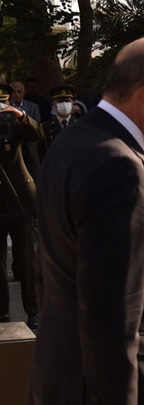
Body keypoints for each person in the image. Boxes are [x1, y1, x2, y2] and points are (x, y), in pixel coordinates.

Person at [30, 36, 144, 403]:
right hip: (124, 386)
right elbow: (112, 321)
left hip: (62, 374)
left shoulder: (71, 144)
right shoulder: (119, 169)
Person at [0, 84, 41, 329]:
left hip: (20, 199)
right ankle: (3, 314)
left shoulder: (16, 123)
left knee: (26, 261)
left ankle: (33, 312)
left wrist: (20, 115)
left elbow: (35, 134)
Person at [38, 85, 79, 163]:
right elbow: (42, 155)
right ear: (53, 103)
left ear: (73, 102)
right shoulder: (44, 127)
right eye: (60, 101)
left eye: (67, 101)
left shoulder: (81, 126)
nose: (64, 104)